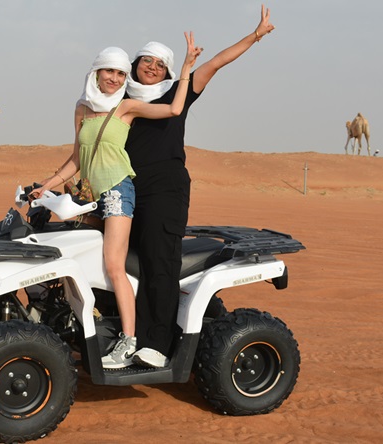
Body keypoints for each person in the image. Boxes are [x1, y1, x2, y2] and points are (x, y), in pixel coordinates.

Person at [31, 33, 202, 369]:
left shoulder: (125, 106)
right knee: (74, 252)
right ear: (95, 72)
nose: (114, 78)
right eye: (109, 71)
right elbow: (77, 157)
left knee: (113, 264)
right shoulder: (82, 108)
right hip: (91, 196)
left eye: (121, 74)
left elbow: (175, 108)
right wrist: (47, 184)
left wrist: (185, 69)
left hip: (118, 192)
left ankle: (129, 341)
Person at [125, 5, 275, 368]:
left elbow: (219, 60)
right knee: (124, 262)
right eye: (146, 61)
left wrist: (255, 35)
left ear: (169, 70)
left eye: (160, 64)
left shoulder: (178, 91)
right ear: (135, 64)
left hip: (165, 190)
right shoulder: (120, 99)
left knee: (159, 263)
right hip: (126, 191)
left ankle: (155, 346)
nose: (152, 68)